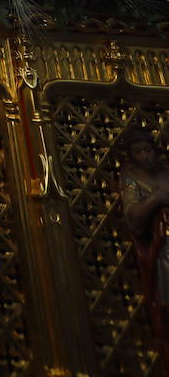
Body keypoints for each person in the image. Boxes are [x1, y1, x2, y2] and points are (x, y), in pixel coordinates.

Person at [118, 125, 169, 373]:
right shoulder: (131, 179)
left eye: (147, 150)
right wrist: (155, 199)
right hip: (163, 247)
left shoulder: (166, 172)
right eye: (138, 152)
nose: (145, 156)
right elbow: (134, 217)